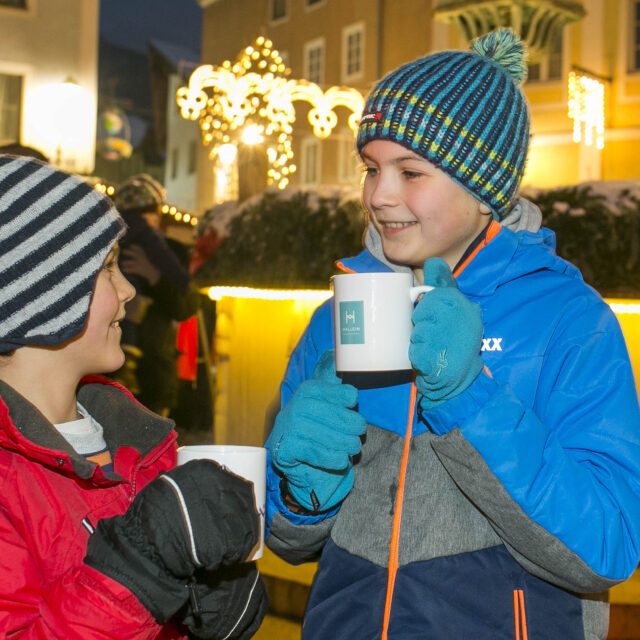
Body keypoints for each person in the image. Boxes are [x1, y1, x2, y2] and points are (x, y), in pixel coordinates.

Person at [264, 29, 640, 639]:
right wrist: (301, 491)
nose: (379, 195)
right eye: (371, 168)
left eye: (410, 171)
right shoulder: (337, 315)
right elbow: (288, 540)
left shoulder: (570, 321)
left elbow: (607, 547)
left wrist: (471, 398)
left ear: (484, 188)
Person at [0, 155, 267, 638]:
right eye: (105, 270)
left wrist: (214, 608)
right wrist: (139, 570)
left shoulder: (138, 441)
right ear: (41, 296)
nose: (127, 290)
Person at [113, 174, 198, 415]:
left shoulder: (172, 251)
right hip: (116, 363)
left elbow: (186, 307)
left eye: (147, 215)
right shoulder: (114, 244)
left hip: (155, 362)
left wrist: (154, 277)